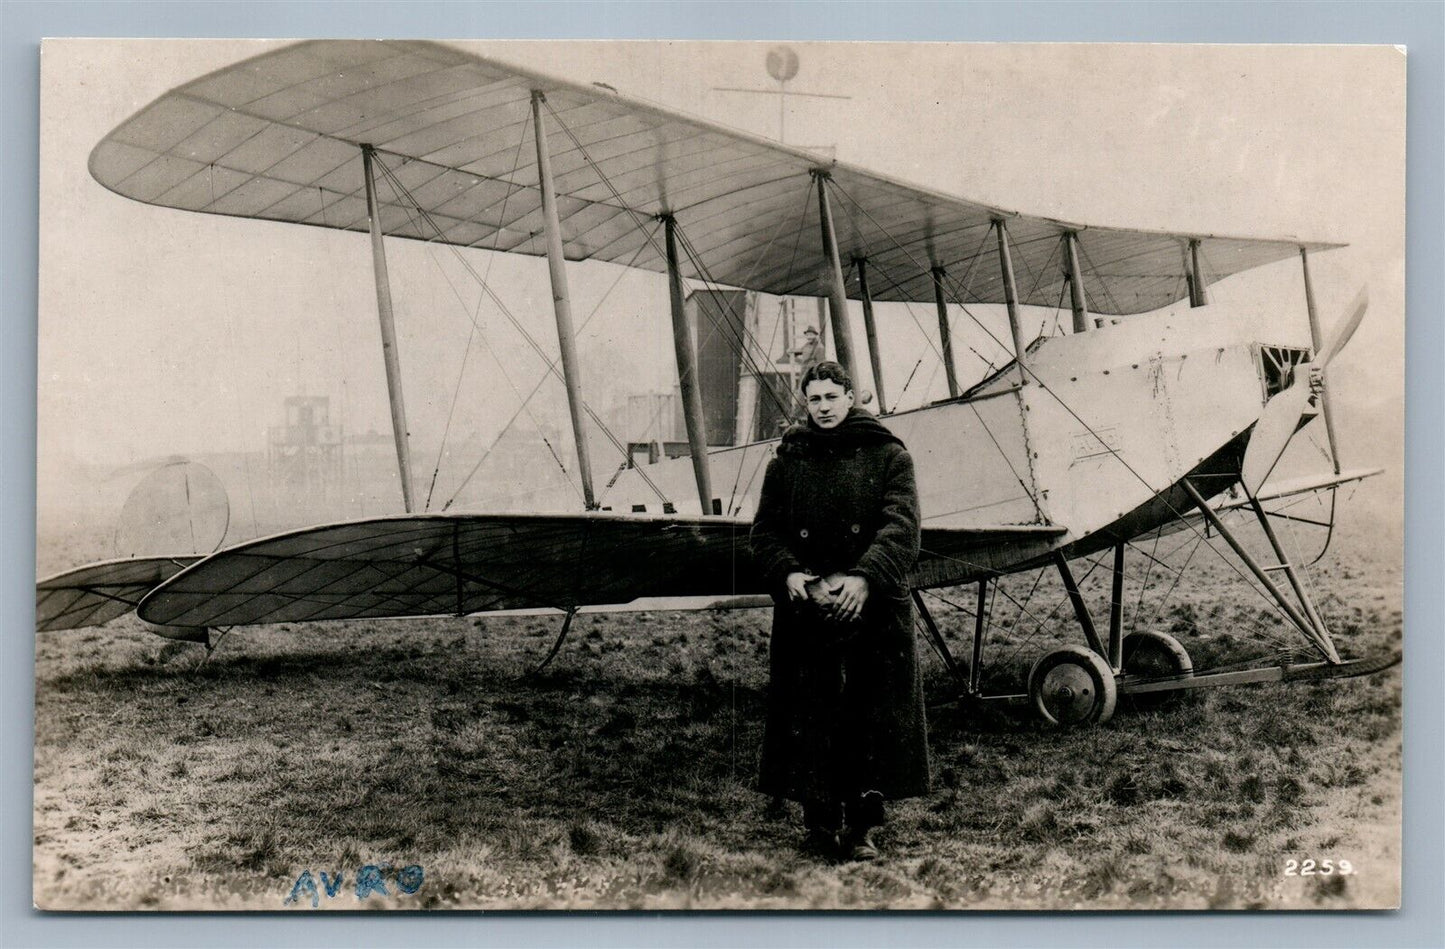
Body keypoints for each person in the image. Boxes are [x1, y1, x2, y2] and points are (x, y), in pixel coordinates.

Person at [749, 360, 929, 861]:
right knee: (812, 712)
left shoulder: (889, 454)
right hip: (808, 605)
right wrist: (788, 572)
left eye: (832, 397)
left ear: (851, 397)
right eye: (814, 399)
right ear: (805, 404)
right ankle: (819, 825)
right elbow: (764, 530)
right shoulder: (788, 460)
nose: (823, 408)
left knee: (871, 715)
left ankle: (863, 829)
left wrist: (865, 577)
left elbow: (902, 526)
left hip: (873, 606)